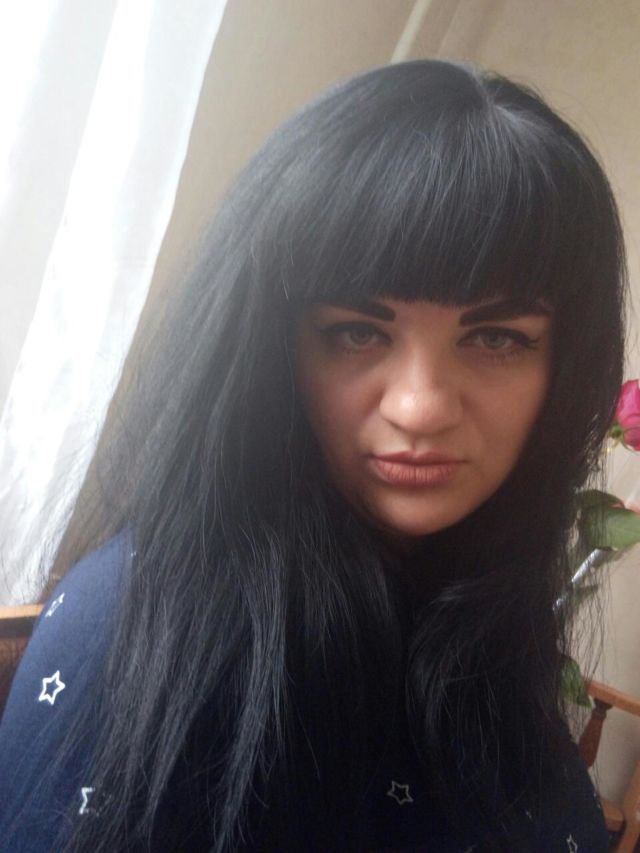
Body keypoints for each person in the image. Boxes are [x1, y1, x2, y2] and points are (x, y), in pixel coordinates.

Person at [0, 59, 626, 852]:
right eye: (357, 332)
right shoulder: (137, 632)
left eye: (497, 337)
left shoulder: (483, 609)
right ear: (270, 348)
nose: (420, 406)